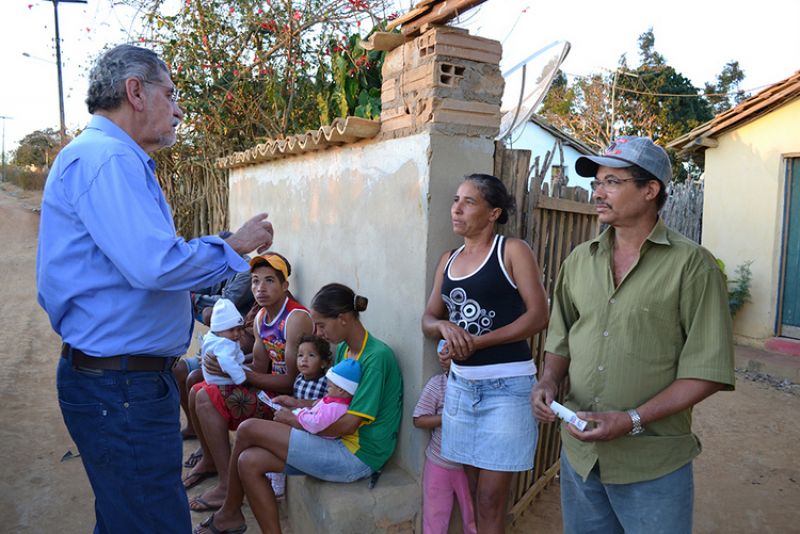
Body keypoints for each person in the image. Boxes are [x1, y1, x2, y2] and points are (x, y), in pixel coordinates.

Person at [36, 44, 275, 534]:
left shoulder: (104, 158)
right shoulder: (108, 161)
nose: (179, 108)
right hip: (120, 388)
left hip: (119, 383)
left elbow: (140, 268)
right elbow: (155, 266)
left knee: (128, 517)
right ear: (135, 92)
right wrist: (234, 245)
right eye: (170, 93)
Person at [530, 136, 736, 534]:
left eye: (611, 181)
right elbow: (561, 337)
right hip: (581, 454)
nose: (598, 192)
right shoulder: (579, 260)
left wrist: (632, 419)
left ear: (649, 190)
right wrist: (549, 380)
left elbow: (708, 370)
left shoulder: (693, 267)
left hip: (652, 462)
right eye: (596, 183)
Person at [193, 283, 403, 534]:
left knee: (248, 428)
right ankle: (237, 516)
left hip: (357, 455)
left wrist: (295, 420)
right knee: (249, 462)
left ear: (344, 318)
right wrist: (298, 404)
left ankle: (229, 511)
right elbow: (334, 402)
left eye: (322, 325)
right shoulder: (347, 349)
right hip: (338, 439)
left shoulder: (376, 357)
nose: (319, 332)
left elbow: (349, 423)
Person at [421, 173, 549, 533]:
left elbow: (538, 316)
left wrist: (477, 342)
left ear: (493, 213)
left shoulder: (512, 251)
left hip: (507, 390)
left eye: (469, 202)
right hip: (461, 391)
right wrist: (444, 328)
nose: (457, 209)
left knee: (492, 497)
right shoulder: (448, 259)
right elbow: (429, 318)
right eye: (455, 200)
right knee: (474, 491)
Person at [185, 253, 313, 511]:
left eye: (269, 281)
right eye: (255, 282)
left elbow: (289, 381)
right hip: (267, 391)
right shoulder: (260, 318)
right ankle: (212, 461)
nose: (260, 288)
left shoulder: (295, 319)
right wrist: (224, 367)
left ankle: (226, 486)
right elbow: (257, 366)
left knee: (206, 396)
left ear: (285, 285)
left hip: (288, 403)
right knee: (197, 383)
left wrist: (238, 373)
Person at [176, 232, 256, 440]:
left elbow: (224, 305)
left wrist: (196, 301)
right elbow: (186, 292)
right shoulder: (217, 270)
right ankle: (195, 429)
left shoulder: (246, 270)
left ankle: (210, 453)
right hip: (219, 349)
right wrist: (197, 301)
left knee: (197, 381)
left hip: (232, 350)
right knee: (178, 369)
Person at [414, 354, 477, 534]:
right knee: (435, 519)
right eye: (443, 351)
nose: (444, 356)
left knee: (474, 518)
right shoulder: (438, 385)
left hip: (471, 466)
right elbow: (419, 420)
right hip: (440, 463)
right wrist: (447, 418)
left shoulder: (481, 386)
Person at [265, 333, 332, 497]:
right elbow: (296, 400)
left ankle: (278, 482)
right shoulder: (299, 379)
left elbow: (324, 405)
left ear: (324, 362)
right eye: (300, 355)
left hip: (312, 425)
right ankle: (274, 471)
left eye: (311, 355)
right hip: (296, 419)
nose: (304, 360)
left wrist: (297, 406)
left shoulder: (326, 382)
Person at [280, 358, 362, 435]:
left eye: (330, 387)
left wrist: (300, 414)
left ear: (341, 390)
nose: (327, 389)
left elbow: (316, 423)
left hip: (317, 436)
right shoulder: (333, 403)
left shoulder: (335, 408)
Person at [199, 299, 248, 386]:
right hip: (223, 382)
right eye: (231, 330)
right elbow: (227, 362)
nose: (236, 334)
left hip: (211, 379)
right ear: (218, 330)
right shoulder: (225, 343)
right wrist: (240, 377)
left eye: (239, 329)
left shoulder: (212, 337)